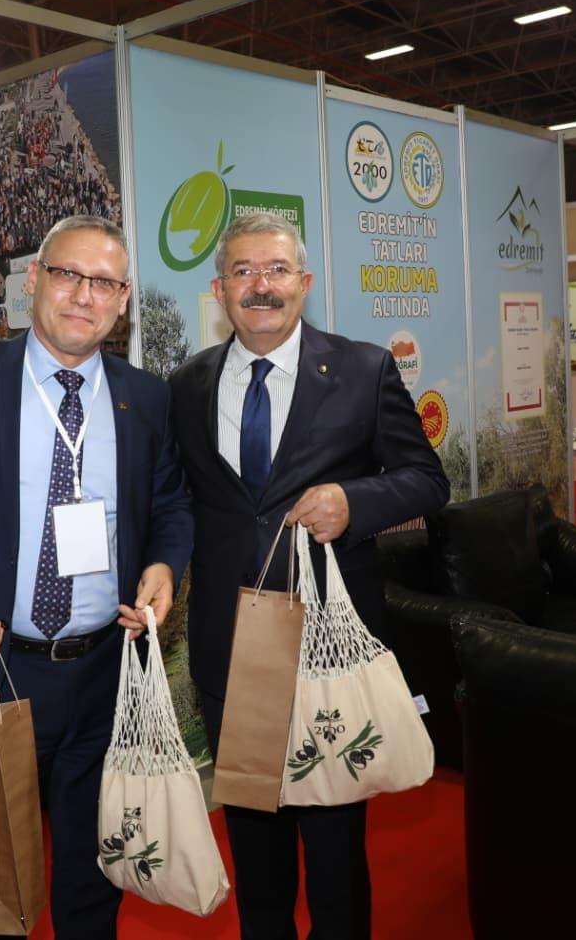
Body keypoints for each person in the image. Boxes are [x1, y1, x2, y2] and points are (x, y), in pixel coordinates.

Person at [0, 214, 192, 939]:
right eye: (67, 274)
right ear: (32, 280)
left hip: (105, 674)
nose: (84, 295)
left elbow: (171, 503)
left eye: (104, 283)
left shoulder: (145, 398)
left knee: (95, 876)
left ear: (123, 301)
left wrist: (163, 565)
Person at [168, 212, 449, 940]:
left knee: (334, 857)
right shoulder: (188, 384)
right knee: (257, 853)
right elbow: (179, 502)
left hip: (329, 649)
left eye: (276, 269)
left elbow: (428, 480)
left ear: (305, 282)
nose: (260, 285)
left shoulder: (364, 370)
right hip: (234, 647)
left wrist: (354, 502)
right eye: (243, 271)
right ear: (220, 289)